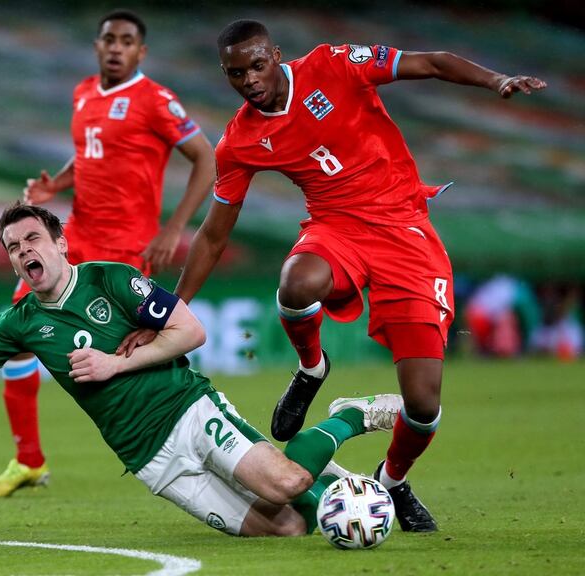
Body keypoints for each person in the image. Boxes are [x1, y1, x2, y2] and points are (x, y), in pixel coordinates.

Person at [135, 19, 547, 532]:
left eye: (257, 66)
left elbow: (432, 62)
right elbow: (214, 235)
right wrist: (174, 307)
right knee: (296, 282)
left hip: (406, 233)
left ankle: (393, 482)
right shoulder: (238, 141)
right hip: (336, 228)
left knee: (421, 403)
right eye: (235, 73)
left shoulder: (333, 64)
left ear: (276, 55)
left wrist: (495, 81)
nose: (249, 81)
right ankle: (311, 368)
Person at [0, 203, 403, 537]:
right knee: (288, 526)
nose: (23, 252)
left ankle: (347, 417)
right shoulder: (17, 320)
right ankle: (336, 487)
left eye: (33, 239)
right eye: (13, 247)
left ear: (60, 243)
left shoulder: (109, 280)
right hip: (149, 460)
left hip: (186, 411)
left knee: (286, 484)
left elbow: (191, 332)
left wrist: (116, 362)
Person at [0, 9, 217, 498]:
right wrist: (58, 184)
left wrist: (175, 226)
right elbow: (89, 153)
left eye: (126, 41)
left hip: (125, 248)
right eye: (109, 39)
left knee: (136, 350)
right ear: (97, 45)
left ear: (140, 52)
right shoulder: (85, 92)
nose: (115, 47)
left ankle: (207, 430)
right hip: (74, 237)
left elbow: (206, 158)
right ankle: (28, 459)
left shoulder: (155, 100)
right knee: (19, 330)